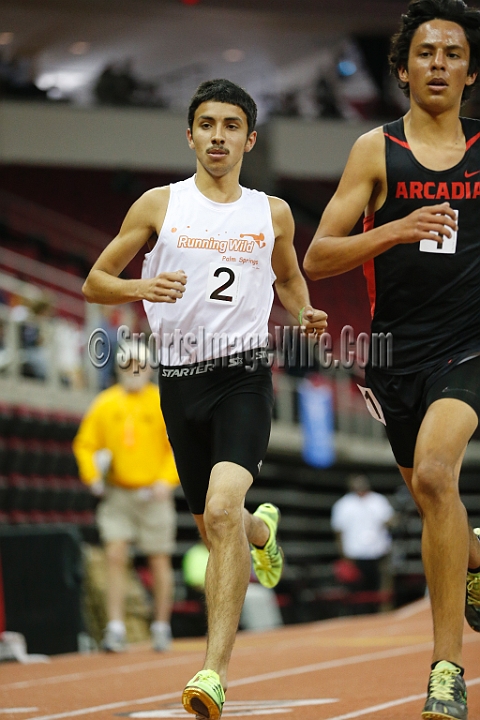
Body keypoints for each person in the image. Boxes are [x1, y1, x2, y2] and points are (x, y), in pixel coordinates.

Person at [81, 78, 328, 719]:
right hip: (178, 381)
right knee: (221, 525)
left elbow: (290, 277)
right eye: (207, 124)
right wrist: (143, 289)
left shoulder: (271, 212)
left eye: (231, 125)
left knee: (220, 510)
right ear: (189, 134)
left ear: (250, 137)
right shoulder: (159, 205)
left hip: (243, 376)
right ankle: (260, 529)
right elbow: (95, 281)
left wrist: (304, 313)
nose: (218, 136)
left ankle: (213, 672)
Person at [304, 2, 480, 718]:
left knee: (438, 474)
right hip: (392, 358)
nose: (439, 63)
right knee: (430, 493)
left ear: (472, 73)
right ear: (403, 68)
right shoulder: (376, 151)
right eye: (426, 52)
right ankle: (474, 556)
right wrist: (396, 229)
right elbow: (318, 255)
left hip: (468, 348)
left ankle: (445, 670)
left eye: (454, 53)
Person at [73, 342, 179, 653]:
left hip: (154, 494)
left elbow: (177, 447)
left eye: (139, 364)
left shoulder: (162, 402)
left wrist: (165, 480)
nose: (134, 370)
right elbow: (85, 444)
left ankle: (161, 625)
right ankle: (115, 626)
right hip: (118, 493)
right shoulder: (105, 404)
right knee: (114, 555)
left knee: (159, 558)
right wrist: (92, 476)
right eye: (128, 364)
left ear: (148, 368)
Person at [331, 474, 394, 614]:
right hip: (355, 555)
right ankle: (359, 616)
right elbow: (338, 532)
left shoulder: (378, 501)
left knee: (379, 590)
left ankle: (382, 615)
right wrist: (343, 555)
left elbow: (390, 520)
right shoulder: (343, 505)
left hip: (378, 553)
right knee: (357, 593)